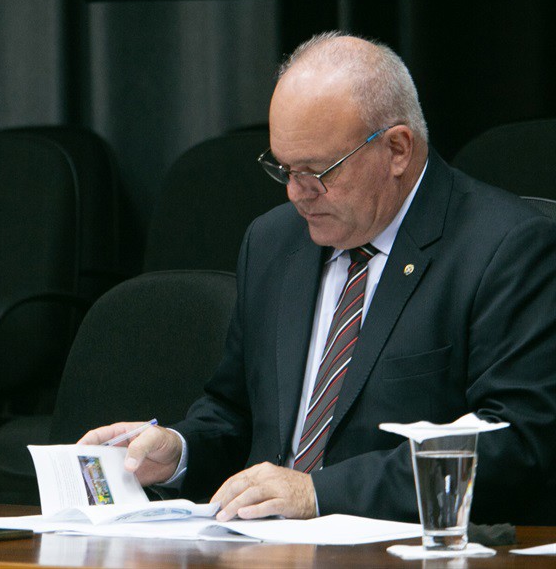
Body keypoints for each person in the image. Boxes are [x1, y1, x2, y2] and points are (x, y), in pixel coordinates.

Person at [82, 32, 556, 523]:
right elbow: (235, 413)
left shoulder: (506, 248)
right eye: (283, 168)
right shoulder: (273, 243)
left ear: (397, 149)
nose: (295, 193)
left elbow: (513, 443)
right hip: (260, 548)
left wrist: (319, 493)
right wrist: (180, 451)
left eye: (316, 171)